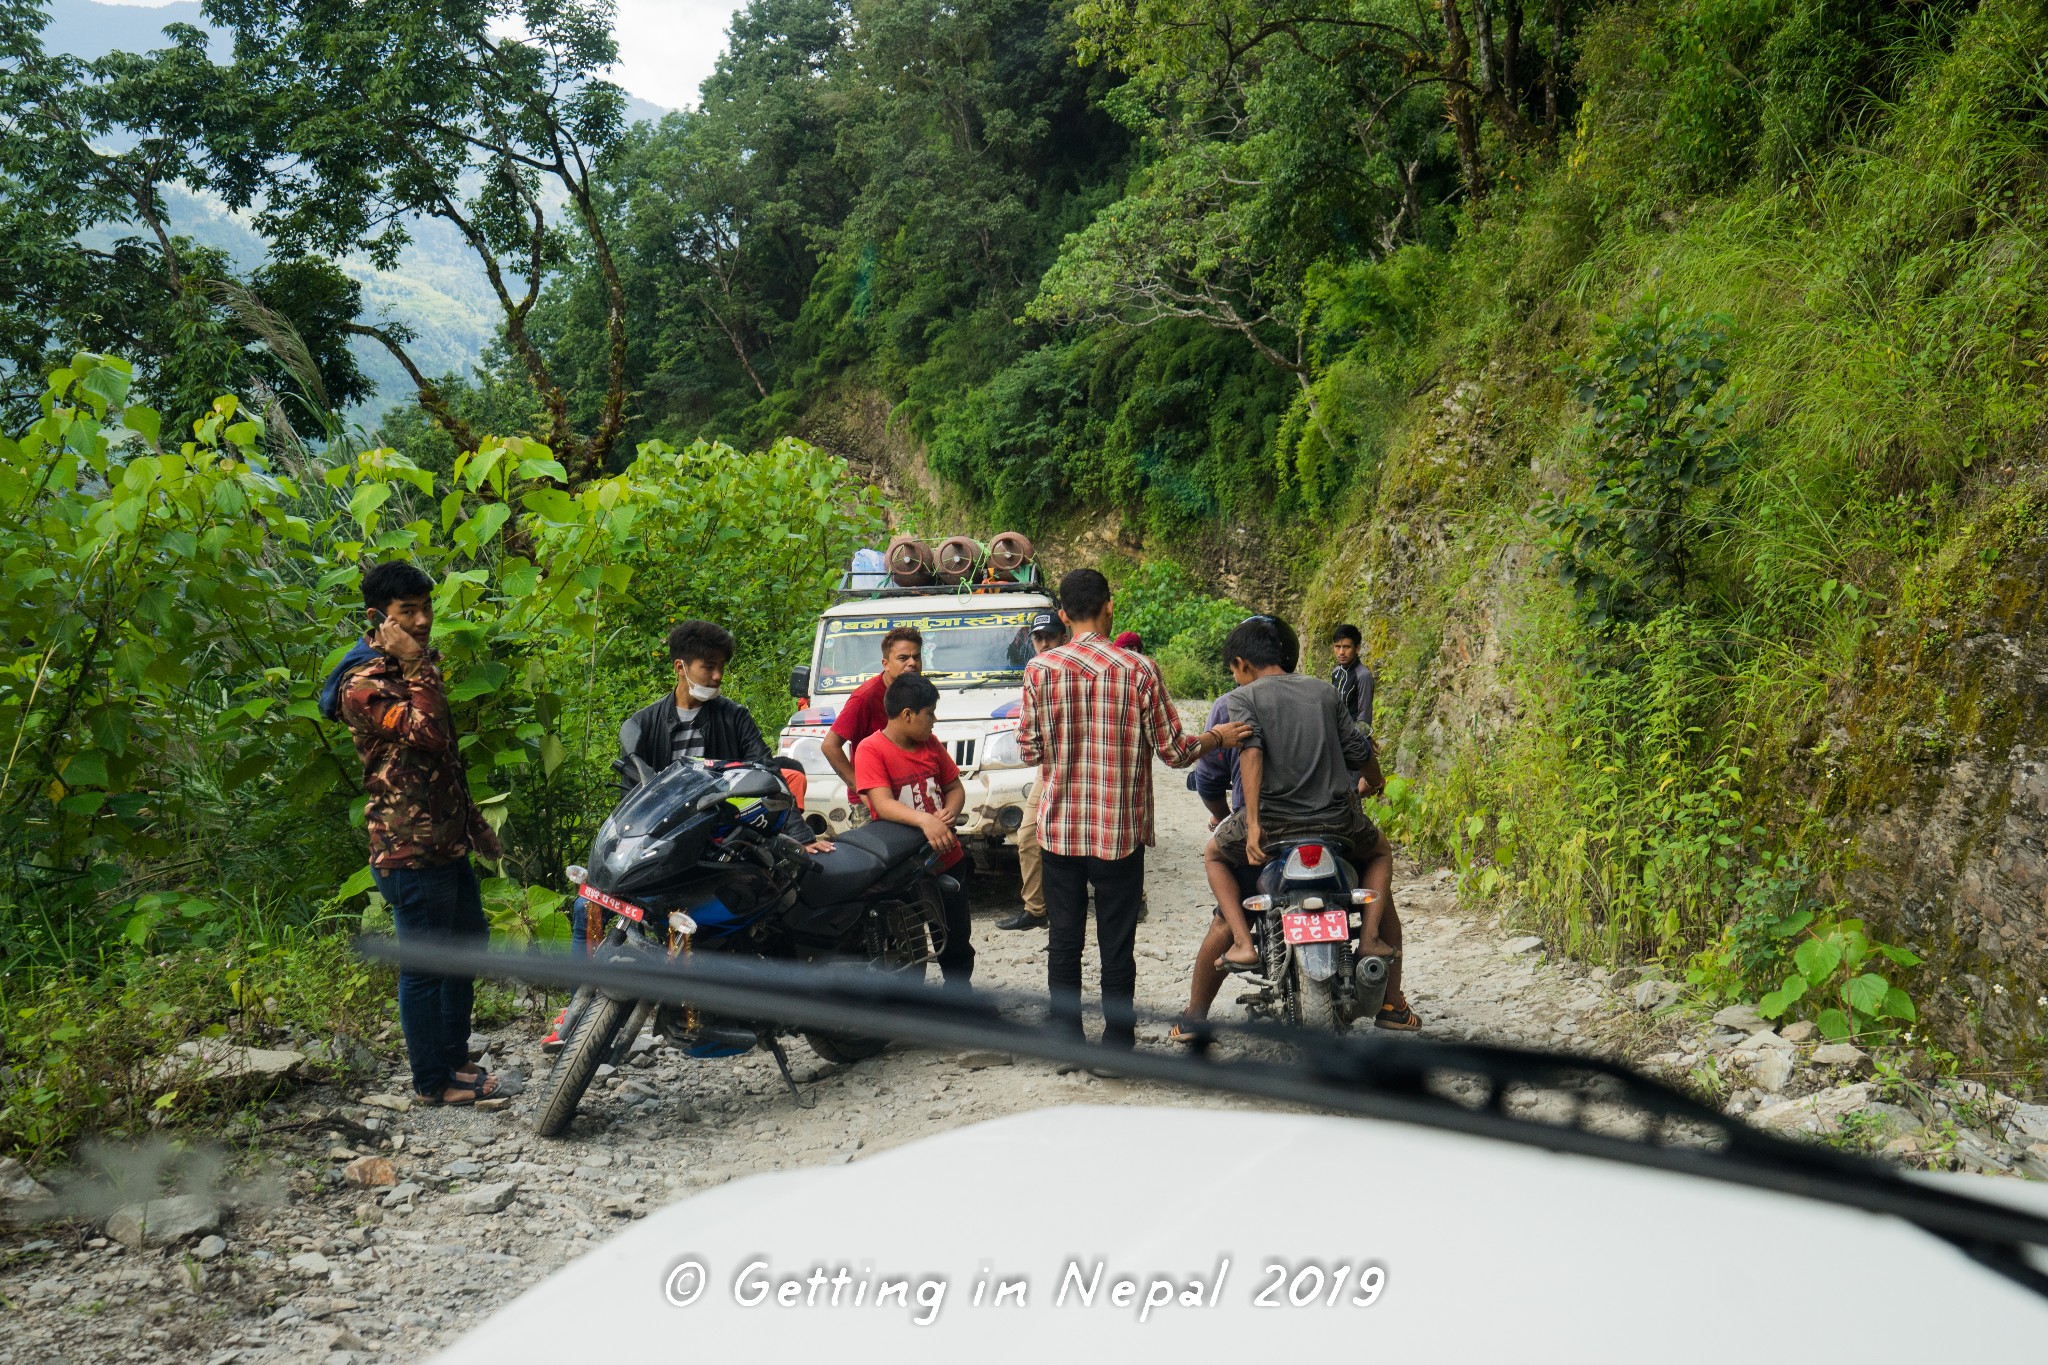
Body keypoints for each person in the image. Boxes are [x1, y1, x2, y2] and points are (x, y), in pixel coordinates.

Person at [542, 619, 806, 1050]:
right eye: (708, 666)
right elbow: (633, 797)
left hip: (722, 845)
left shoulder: (735, 718)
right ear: (681, 667)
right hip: (663, 845)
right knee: (584, 908)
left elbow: (768, 775)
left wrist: (798, 834)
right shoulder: (644, 724)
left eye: (722, 666)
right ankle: (577, 1003)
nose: (717, 676)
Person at [1018, 568, 1249, 1056]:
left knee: (1063, 938)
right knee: (1115, 942)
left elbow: (1029, 749)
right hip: (1117, 829)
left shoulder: (1039, 671)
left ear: (1062, 615)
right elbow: (1174, 751)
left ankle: (1065, 1042)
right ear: (1109, 607)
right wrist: (1217, 738)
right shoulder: (1138, 670)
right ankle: (1117, 1044)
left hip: (1059, 827)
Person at [330, 561, 502, 1106]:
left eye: (427, 608)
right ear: (378, 617)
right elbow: (426, 732)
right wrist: (417, 665)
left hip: (446, 843)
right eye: (409, 612)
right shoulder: (365, 684)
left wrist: (475, 826)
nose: (424, 620)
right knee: (426, 968)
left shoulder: (412, 666)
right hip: (407, 848)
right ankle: (432, 1081)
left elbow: (446, 758)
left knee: (467, 948)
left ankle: (454, 1057)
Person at [1205, 618, 1420, 1030]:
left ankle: (1243, 941)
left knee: (1214, 853)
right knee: (1379, 851)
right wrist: (1375, 782)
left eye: (1233, 669)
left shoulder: (1242, 697)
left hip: (1273, 826)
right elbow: (1359, 747)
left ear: (1241, 663)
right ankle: (1371, 938)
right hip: (1336, 824)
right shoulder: (1325, 691)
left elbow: (1250, 753)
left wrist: (1251, 825)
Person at [853, 672, 975, 988]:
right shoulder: (871, 749)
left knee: (956, 936)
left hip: (948, 858)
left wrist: (950, 809)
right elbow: (881, 803)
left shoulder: (930, 744)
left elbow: (954, 787)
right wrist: (925, 820)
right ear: (907, 715)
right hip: (903, 866)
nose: (934, 720)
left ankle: (960, 995)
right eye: (929, 713)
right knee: (903, 935)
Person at [996, 611, 1066, 932]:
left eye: (1050, 636)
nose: (1045, 643)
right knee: (1027, 836)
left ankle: (1133, 899)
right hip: (1050, 765)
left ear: (1064, 637)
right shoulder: (1035, 671)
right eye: (1039, 638)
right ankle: (1036, 909)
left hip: (1083, 761)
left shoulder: (1071, 667)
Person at [821, 626, 923, 796]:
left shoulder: (918, 690)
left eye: (916, 657)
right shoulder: (864, 697)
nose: (912, 663)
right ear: (886, 664)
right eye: (903, 658)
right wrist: (862, 791)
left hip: (912, 792)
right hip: (874, 800)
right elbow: (830, 746)